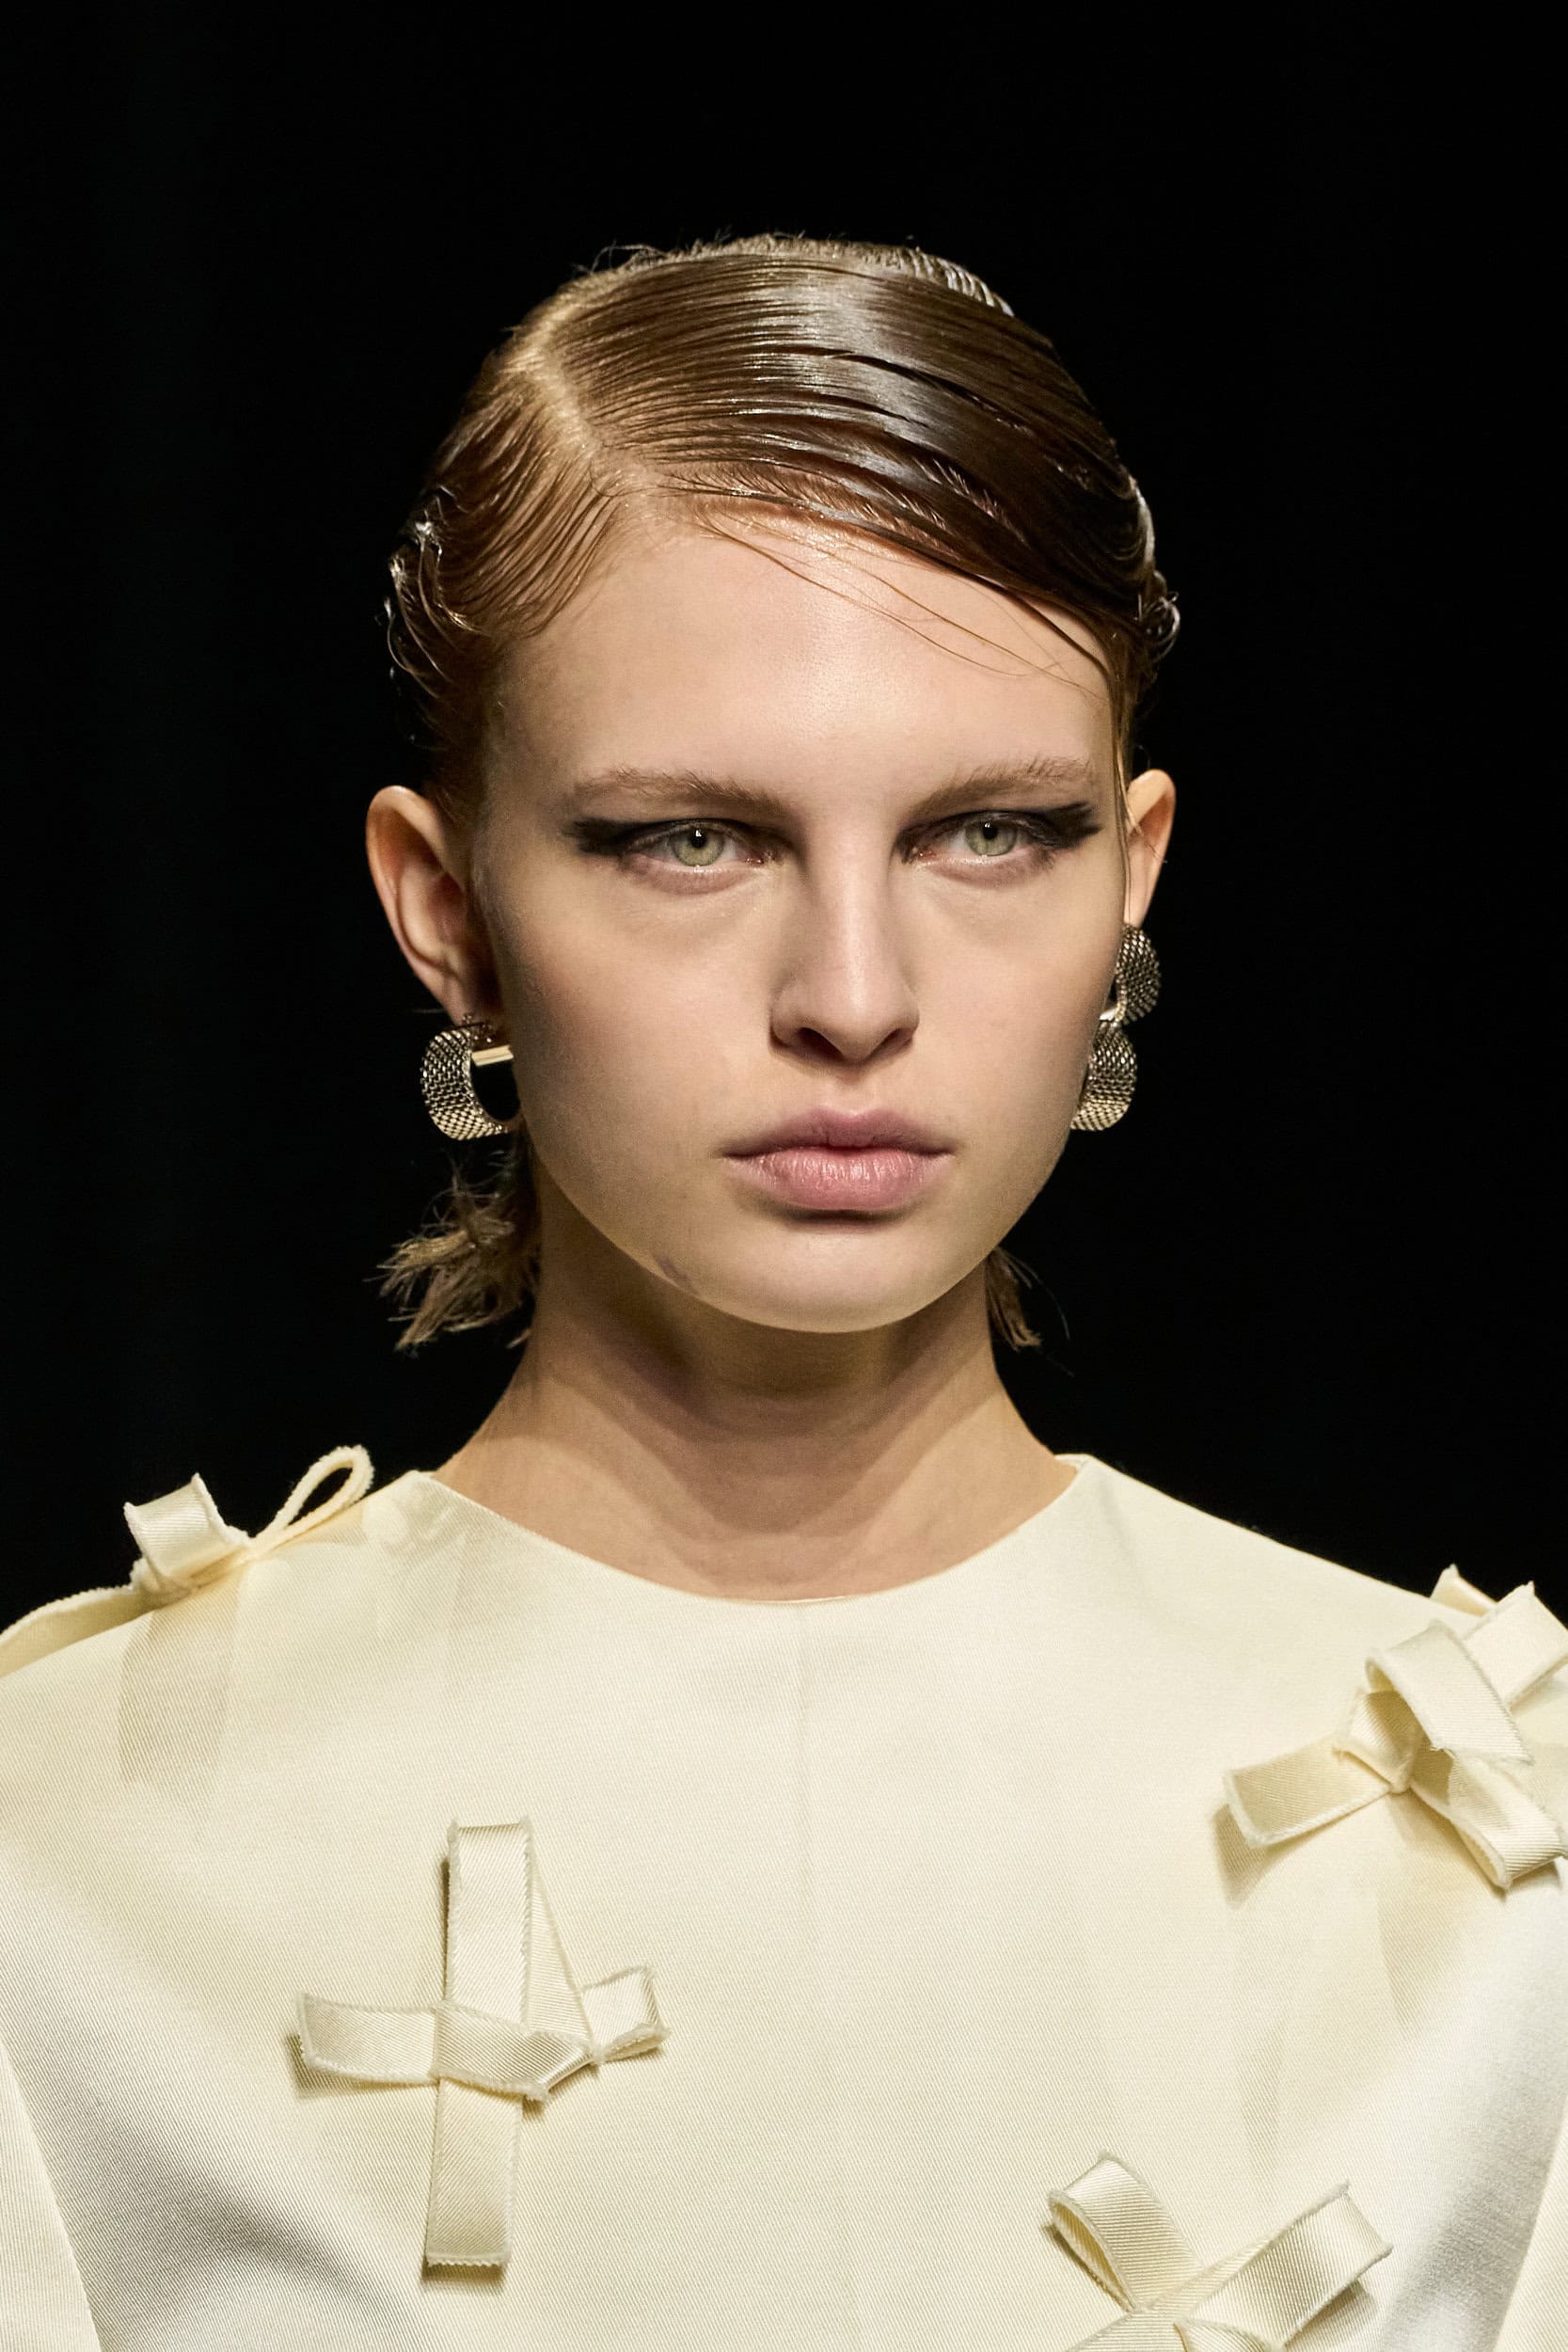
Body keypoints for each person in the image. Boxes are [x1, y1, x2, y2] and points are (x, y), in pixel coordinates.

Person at [1, 234, 1562, 2350]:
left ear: (1132, 883)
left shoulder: (1514, 1862)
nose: (853, 993)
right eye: (689, 840)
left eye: (990, 832)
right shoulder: (59, 1854)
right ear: (447, 910)